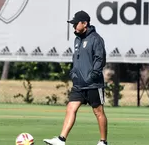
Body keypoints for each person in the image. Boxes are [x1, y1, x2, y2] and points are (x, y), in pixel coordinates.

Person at [43, 10, 108, 145]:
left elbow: (100, 59)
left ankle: (103, 142)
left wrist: (92, 76)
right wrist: (73, 73)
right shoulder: (77, 39)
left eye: (75, 24)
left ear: (85, 23)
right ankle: (61, 139)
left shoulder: (96, 39)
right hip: (78, 84)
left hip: (93, 84)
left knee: (98, 112)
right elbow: (76, 59)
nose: (73, 26)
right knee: (70, 108)